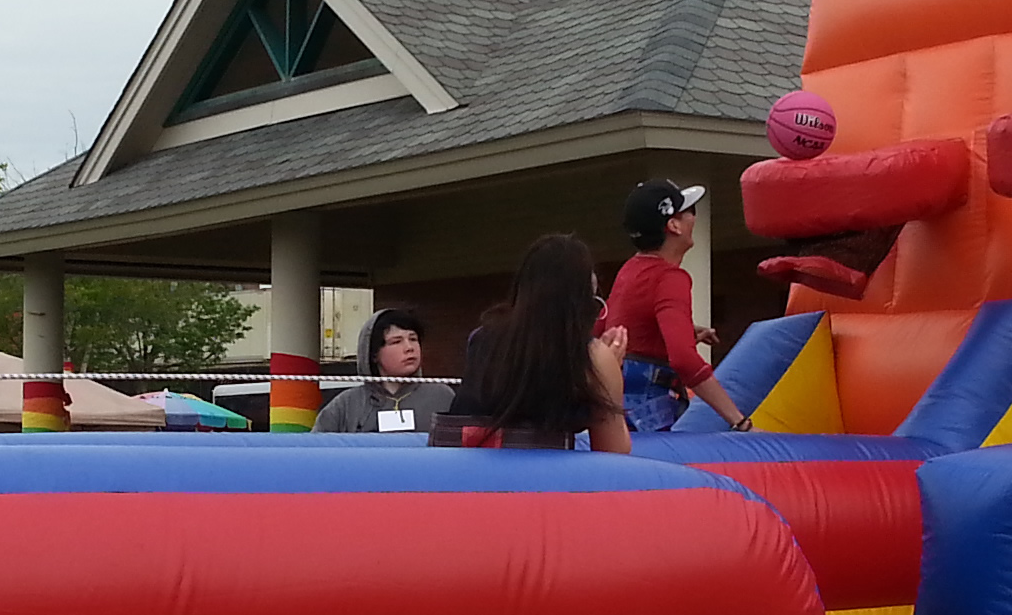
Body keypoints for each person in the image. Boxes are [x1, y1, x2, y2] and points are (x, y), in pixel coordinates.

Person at [601, 180, 754, 436]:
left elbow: (618, 327)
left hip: (616, 403)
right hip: (648, 409)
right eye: (690, 212)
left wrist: (685, 329)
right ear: (673, 225)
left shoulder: (629, 270)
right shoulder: (670, 277)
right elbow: (684, 359)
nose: (694, 218)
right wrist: (740, 422)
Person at [468, 233, 632, 453]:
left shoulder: (482, 340)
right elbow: (614, 451)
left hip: (477, 472)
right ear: (582, 298)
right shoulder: (592, 357)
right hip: (550, 480)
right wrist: (610, 373)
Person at [314, 307, 454, 435]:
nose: (409, 347)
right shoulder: (347, 404)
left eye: (413, 339)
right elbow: (317, 450)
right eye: (396, 341)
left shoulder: (442, 397)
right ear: (374, 354)